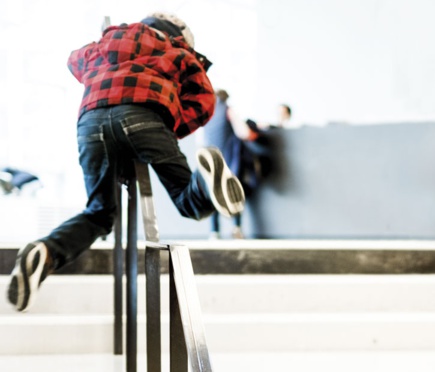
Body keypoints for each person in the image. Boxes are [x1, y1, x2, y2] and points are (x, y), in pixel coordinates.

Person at [6, 13, 245, 312]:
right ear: (180, 35)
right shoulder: (178, 50)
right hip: (146, 117)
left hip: (91, 123)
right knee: (189, 202)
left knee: (99, 213)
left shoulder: (109, 40)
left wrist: (105, 59)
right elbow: (204, 100)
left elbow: (75, 60)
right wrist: (172, 127)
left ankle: (46, 251)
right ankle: (203, 179)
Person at [203, 89, 258, 239]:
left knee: (214, 194)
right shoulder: (228, 110)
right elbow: (244, 133)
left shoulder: (207, 113)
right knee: (234, 192)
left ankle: (214, 232)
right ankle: (236, 228)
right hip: (228, 159)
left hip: (210, 160)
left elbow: (201, 140)